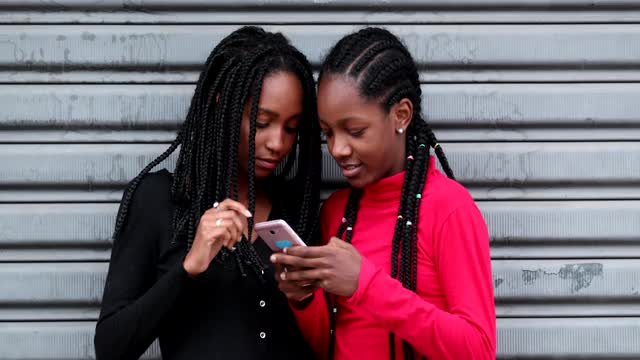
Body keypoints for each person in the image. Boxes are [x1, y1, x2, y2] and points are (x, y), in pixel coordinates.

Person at [94, 26, 321, 360]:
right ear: (223, 105)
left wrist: (305, 300)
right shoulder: (160, 200)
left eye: (291, 128)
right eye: (261, 122)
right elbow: (111, 347)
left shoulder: (297, 209)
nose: (278, 143)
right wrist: (187, 269)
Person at [271, 27, 496, 360]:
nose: (338, 148)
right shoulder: (337, 212)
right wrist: (303, 300)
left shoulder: (448, 208)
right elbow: (329, 344)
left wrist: (366, 284)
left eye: (355, 131)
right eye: (327, 133)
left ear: (400, 115)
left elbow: (477, 350)